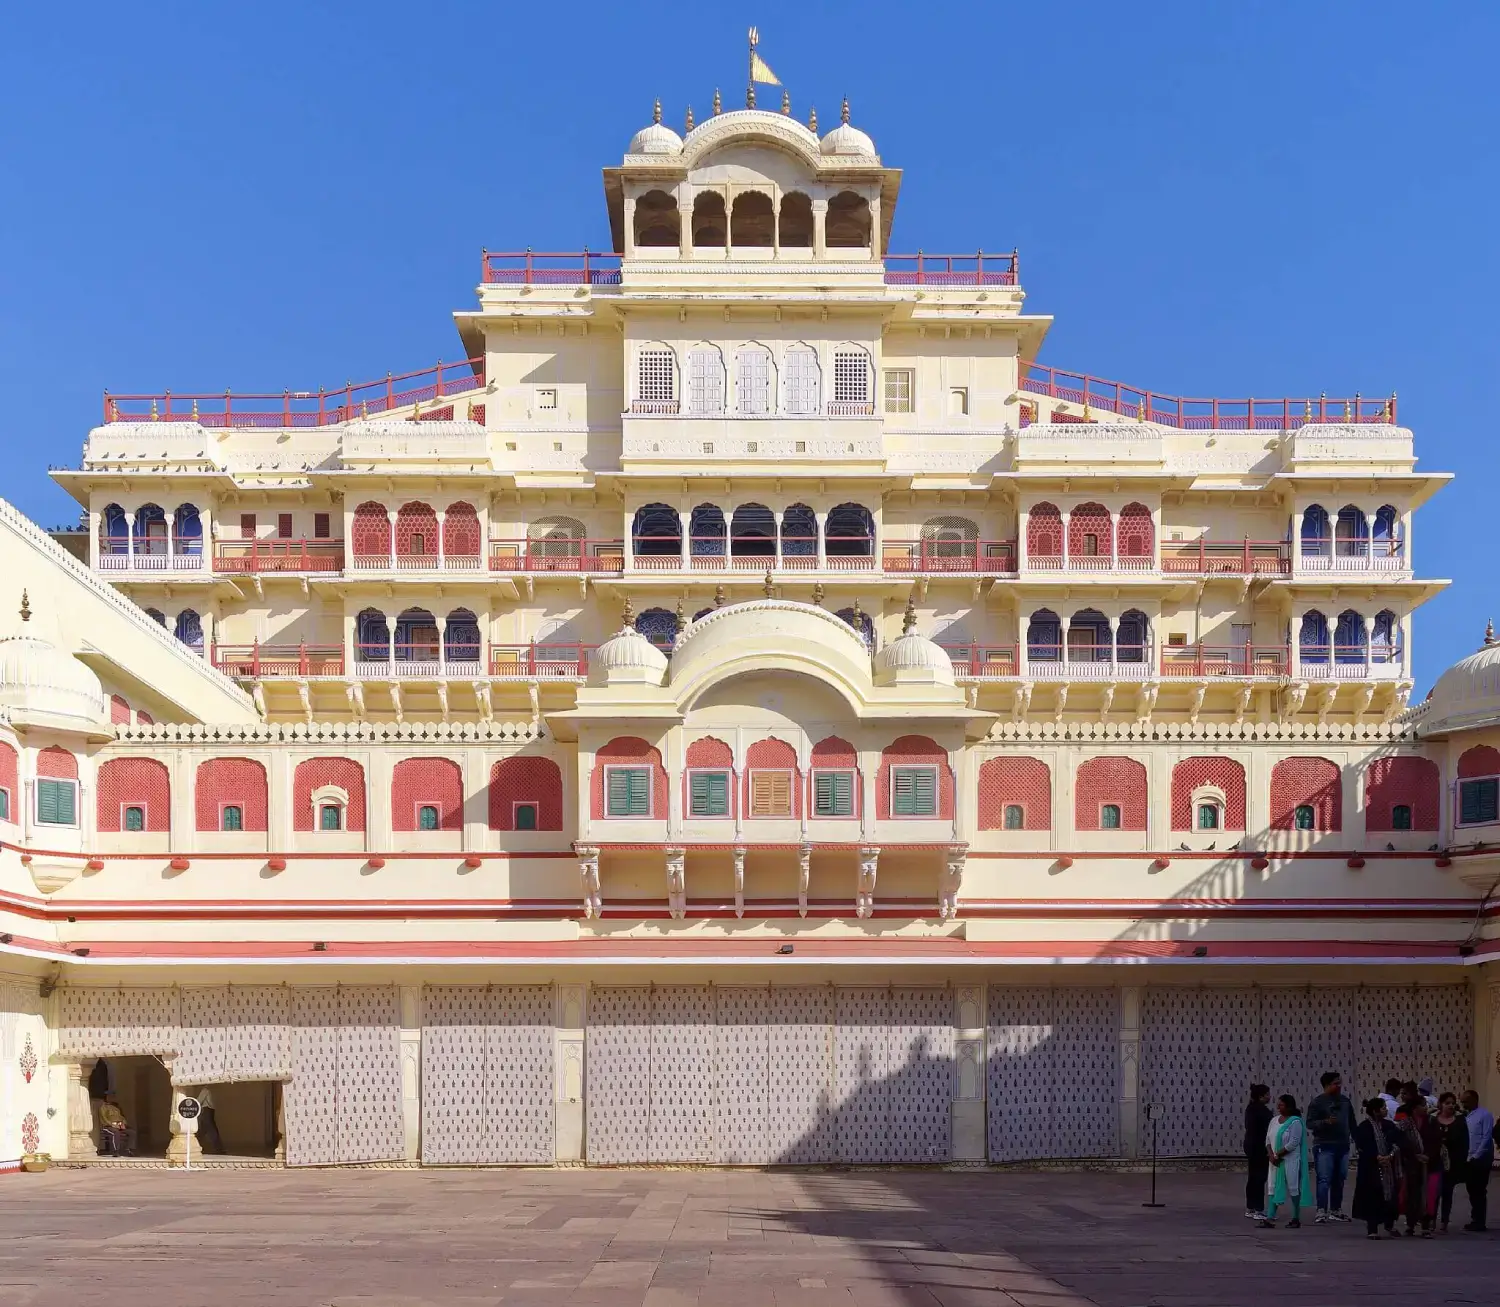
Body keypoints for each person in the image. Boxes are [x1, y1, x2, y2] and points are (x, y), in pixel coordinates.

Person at [1306, 1070, 1356, 1223]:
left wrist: (1357, 1140)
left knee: (1339, 1178)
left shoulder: (1345, 1101)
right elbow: (1309, 1123)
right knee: (1324, 1178)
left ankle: (1336, 1209)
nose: (1339, 1086)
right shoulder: (1318, 1102)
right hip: (1324, 1145)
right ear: (1327, 1085)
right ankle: (1321, 1210)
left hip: (1343, 1145)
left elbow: (1352, 1123)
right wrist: (1325, 1122)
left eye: (1340, 1083)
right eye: (1336, 1083)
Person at [1352, 1097, 1402, 1239]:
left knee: (1390, 1196)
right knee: (1372, 1197)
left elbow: (1397, 1142)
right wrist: (1376, 1157)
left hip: (1388, 1168)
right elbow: (1362, 1146)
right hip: (1370, 1168)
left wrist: (1390, 1156)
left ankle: (1389, 1224)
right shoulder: (1364, 1127)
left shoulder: (1389, 1126)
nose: (1386, 1110)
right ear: (1375, 1111)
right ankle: (1372, 1229)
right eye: (1383, 1108)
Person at [1259, 1094, 1309, 1229]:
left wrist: (1278, 1155)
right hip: (1274, 1160)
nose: (1278, 1107)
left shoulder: (1295, 1122)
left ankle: (1295, 1218)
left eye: (1281, 1105)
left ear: (1289, 1106)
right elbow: (1268, 1140)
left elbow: (1293, 1143)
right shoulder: (1274, 1120)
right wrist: (1271, 1155)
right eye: (1278, 1105)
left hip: (1290, 1160)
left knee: (1293, 1187)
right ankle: (1270, 1218)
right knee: (1272, 1187)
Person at [1400, 1101, 1442, 1237]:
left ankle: (1426, 1225)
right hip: (1412, 1164)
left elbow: (1437, 1141)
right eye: (1422, 1105)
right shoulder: (1406, 1123)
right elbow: (1402, 1142)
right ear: (1414, 1108)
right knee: (1411, 1195)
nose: (1425, 1107)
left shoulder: (1432, 1121)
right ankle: (1410, 1224)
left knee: (1429, 1195)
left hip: (1431, 1164)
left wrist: (1428, 1155)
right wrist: (1414, 1156)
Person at [1461, 1089, 1495, 1232]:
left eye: (1466, 1101)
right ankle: (1475, 1218)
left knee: (1479, 1189)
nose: (1463, 1104)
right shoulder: (1466, 1116)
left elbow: (1486, 1137)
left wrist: (1477, 1155)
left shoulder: (1484, 1115)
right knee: (1472, 1189)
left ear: (1475, 1100)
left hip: (1481, 1159)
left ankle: (1480, 1220)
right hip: (1469, 1158)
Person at [1434, 1092, 1469, 1234]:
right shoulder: (1433, 1120)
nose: (1450, 1105)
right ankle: (1431, 1219)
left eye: (1453, 1103)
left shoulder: (1460, 1121)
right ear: (1441, 1104)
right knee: (1434, 1192)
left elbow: (1464, 1143)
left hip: (1452, 1164)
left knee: (1447, 1193)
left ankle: (1444, 1221)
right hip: (1435, 1162)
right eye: (1447, 1102)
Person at [1244, 1083, 1274, 1219]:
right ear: (1261, 1096)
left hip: (1250, 1146)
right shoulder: (1262, 1111)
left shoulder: (1250, 1109)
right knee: (1260, 1178)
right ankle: (1259, 1209)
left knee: (1253, 1177)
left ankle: (1250, 1207)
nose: (1269, 1097)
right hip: (1260, 1147)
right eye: (1267, 1094)